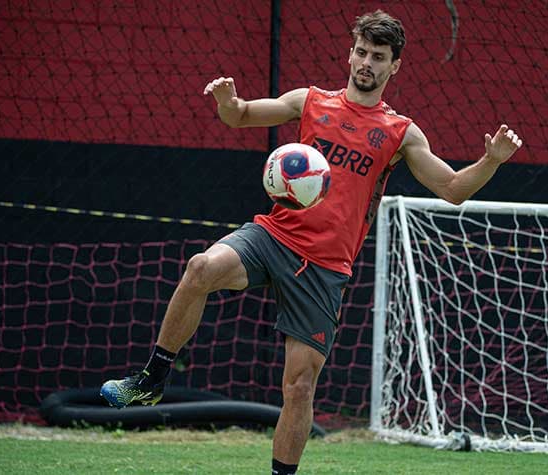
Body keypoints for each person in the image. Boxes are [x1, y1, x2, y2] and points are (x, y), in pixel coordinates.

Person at [101, 10, 522, 474]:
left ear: (394, 66)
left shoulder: (401, 133)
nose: (366, 63)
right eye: (361, 52)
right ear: (349, 53)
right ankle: (151, 379)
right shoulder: (312, 101)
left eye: (378, 57)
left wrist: (491, 161)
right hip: (274, 236)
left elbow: (453, 190)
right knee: (201, 267)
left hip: (324, 269)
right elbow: (240, 116)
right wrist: (226, 100)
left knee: (299, 388)